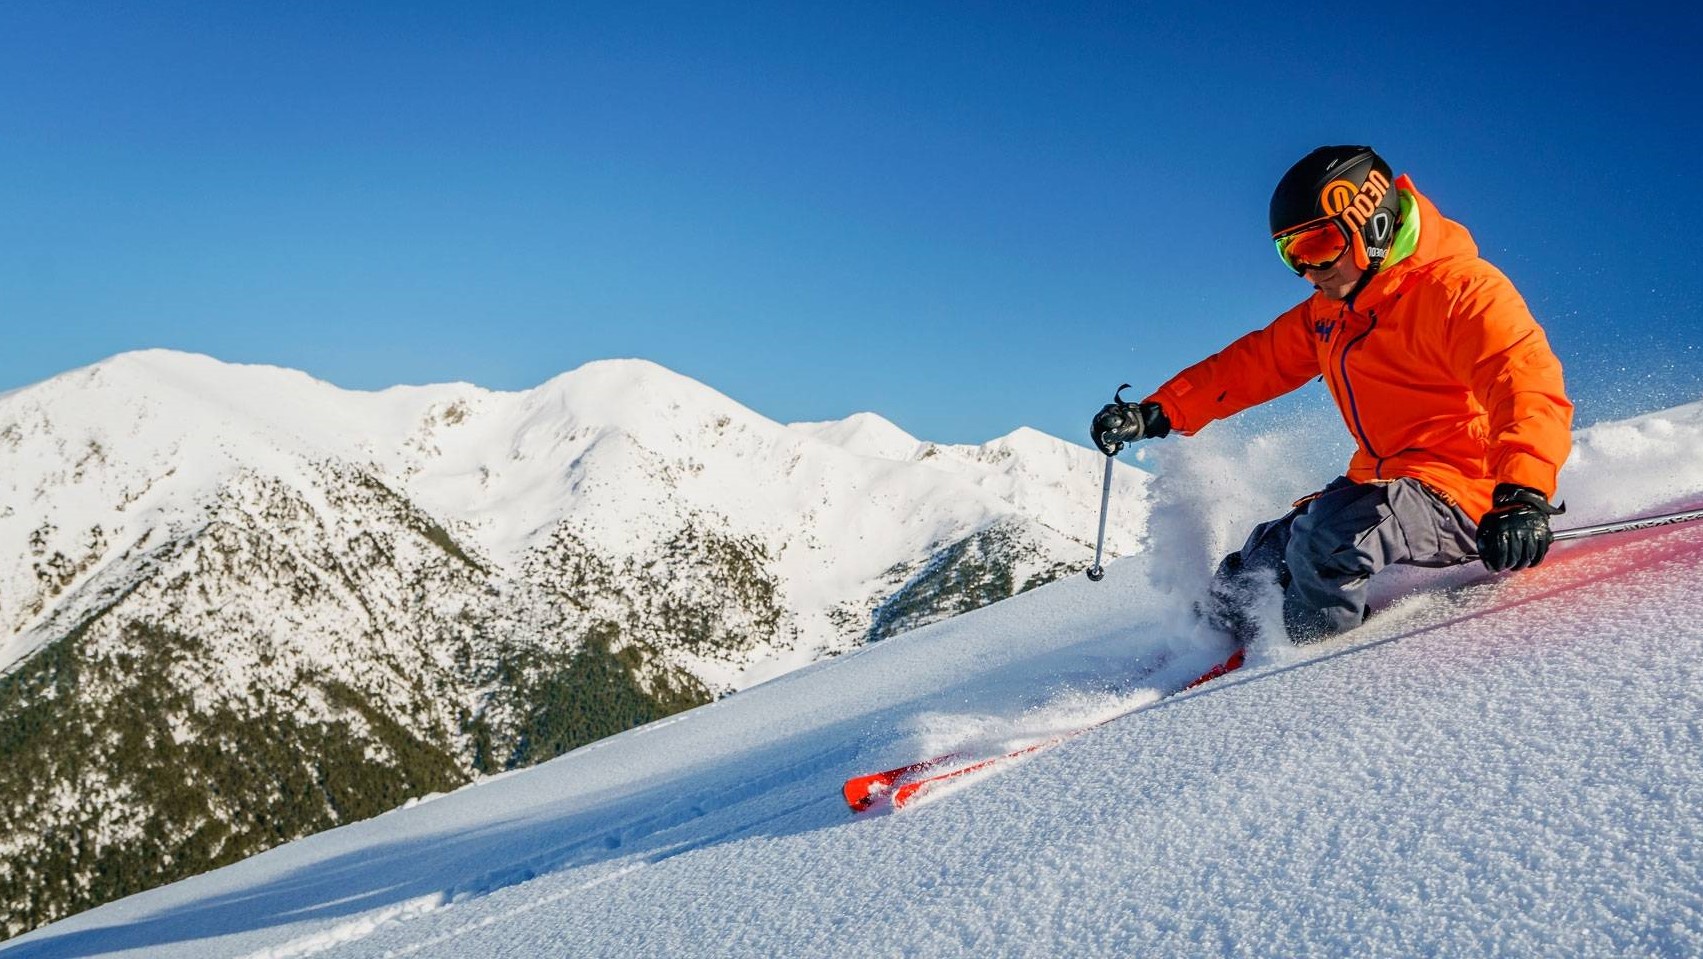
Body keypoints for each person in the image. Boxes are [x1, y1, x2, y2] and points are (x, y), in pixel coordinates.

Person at [1091, 145, 1573, 644]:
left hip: (1467, 491)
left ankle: (1308, 668)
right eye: (1291, 254)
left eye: (1318, 245)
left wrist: (1522, 496)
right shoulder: (1331, 311)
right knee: (1257, 564)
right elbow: (1255, 363)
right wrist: (1157, 411)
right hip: (1380, 483)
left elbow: (1525, 386)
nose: (1308, 270)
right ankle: (1207, 648)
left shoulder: (1462, 292)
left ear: (1373, 222)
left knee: (1325, 545)